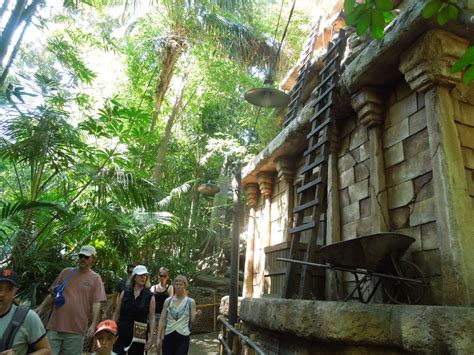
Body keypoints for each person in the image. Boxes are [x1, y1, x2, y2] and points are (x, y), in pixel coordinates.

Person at [36, 245, 106, 355]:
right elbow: (52, 293)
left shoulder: (96, 278)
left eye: (86, 257)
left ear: (93, 259)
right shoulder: (66, 272)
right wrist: (41, 307)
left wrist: (93, 325)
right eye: (81, 256)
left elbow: (97, 302)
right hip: (55, 326)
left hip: (76, 330)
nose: (82, 259)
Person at [0, 268, 51, 355]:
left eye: (9, 289)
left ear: (15, 292)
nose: (2, 294)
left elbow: (46, 350)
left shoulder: (27, 317)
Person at [113, 265, 155, 355]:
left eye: (145, 275)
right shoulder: (125, 293)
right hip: (122, 332)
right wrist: (112, 329)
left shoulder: (150, 296)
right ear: (134, 277)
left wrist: (151, 336)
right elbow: (117, 313)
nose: (143, 278)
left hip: (139, 335)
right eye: (140, 275)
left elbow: (152, 317)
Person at [157, 275, 196, 355]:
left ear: (185, 286)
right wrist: (158, 337)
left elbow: (193, 321)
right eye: (176, 284)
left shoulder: (190, 302)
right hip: (168, 335)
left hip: (183, 336)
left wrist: (198, 316)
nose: (178, 286)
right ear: (174, 285)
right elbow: (162, 320)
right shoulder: (168, 301)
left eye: (181, 284)